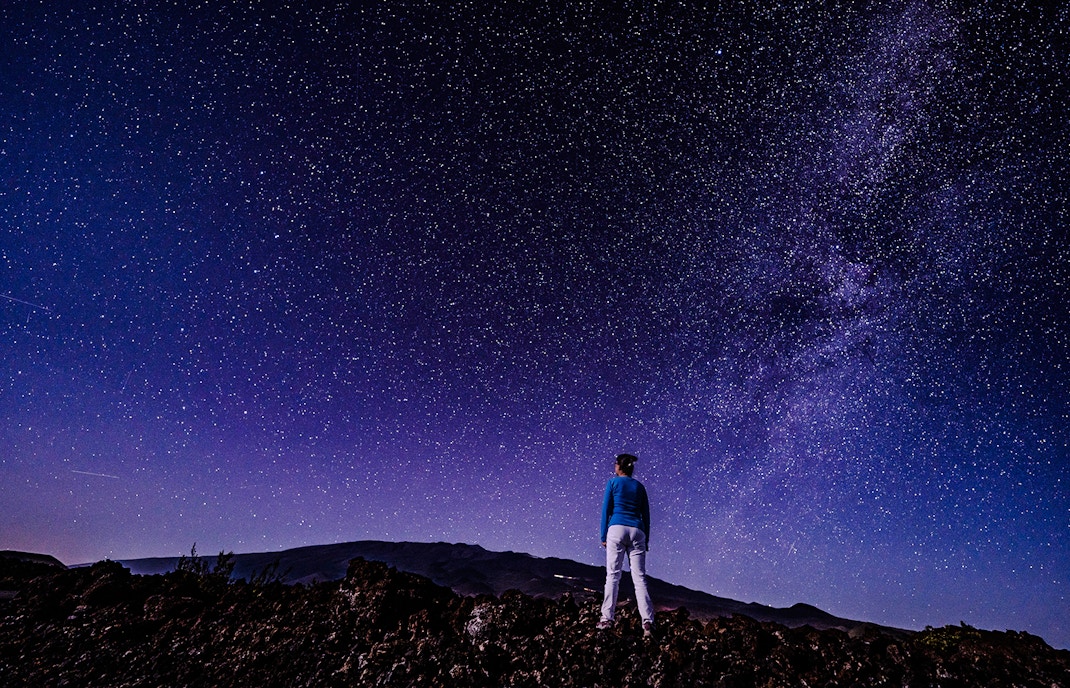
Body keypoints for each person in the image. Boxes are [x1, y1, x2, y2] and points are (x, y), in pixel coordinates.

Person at [598, 453, 655, 637]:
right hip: (637, 530)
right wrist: (646, 539)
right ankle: (647, 621)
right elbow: (646, 515)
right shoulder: (640, 487)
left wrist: (603, 535)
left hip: (616, 528)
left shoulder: (613, 483)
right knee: (639, 579)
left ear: (619, 467)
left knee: (613, 576)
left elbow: (606, 510)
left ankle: (607, 618)